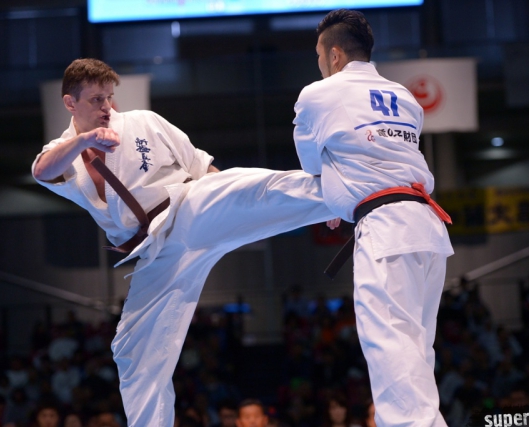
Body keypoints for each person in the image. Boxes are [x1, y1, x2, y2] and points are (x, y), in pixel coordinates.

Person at [32, 58, 334, 426]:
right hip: (157, 251)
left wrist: (237, 205)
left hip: (189, 208)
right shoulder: (65, 152)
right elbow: (41, 171)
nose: (106, 107)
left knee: (245, 188)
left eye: (109, 97)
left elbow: (204, 169)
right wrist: (84, 140)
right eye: (96, 100)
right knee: (132, 351)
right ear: (70, 103)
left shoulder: (144, 122)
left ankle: (336, 192)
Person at [293, 9, 454, 427]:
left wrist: (333, 195)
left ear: (333, 55)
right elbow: (383, 157)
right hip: (427, 227)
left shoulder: (317, 95)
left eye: (319, 56)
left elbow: (312, 164)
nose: (319, 64)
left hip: (386, 229)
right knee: (416, 349)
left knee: (391, 348)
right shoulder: (405, 97)